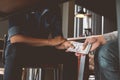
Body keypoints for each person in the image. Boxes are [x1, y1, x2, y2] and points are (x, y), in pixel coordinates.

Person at [4, 5, 78, 80]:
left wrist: (64, 44)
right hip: (20, 52)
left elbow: (57, 39)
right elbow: (15, 38)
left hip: (41, 50)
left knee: (70, 54)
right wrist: (50, 42)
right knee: (14, 49)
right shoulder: (18, 6)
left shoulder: (54, 8)